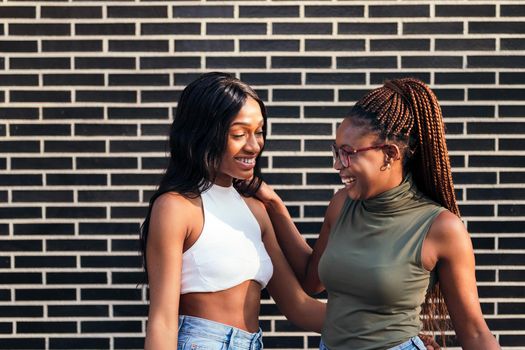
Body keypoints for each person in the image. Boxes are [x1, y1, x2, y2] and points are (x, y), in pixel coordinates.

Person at [255, 78, 500, 350]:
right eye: (336, 151)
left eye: (348, 153)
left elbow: (474, 332)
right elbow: (312, 281)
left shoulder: (441, 228)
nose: (338, 164)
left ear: (389, 154)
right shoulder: (341, 205)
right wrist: (274, 208)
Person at [140, 72, 325, 350]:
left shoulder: (255, 211)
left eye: (259, 132)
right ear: (203, 134)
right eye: (239, 134)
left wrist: (388, 323)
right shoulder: (176, 207)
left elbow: (300, 307)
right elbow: (163, 320)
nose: (254, 146)